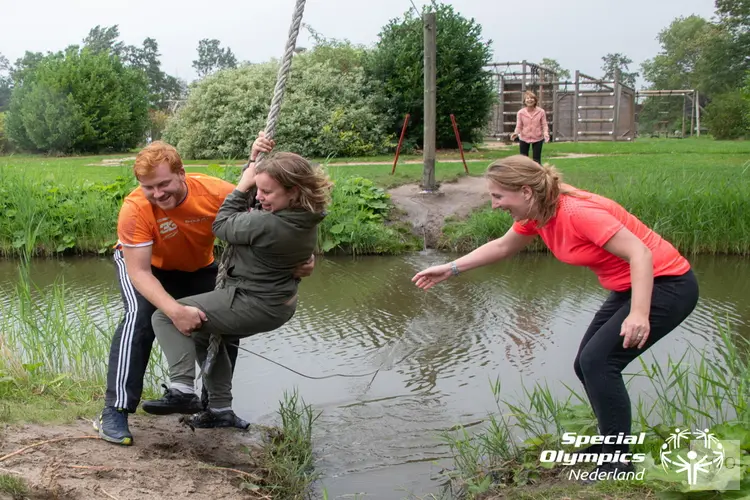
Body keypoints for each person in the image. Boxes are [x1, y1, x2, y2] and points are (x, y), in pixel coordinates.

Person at [412, 155, 699, 476]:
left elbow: (640, 253)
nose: (494, 205)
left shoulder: (577, 212)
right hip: (630, 286)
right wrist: (450, 268)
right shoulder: (538, 213)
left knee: (600, 363)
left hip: (667, 285)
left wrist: (639, 314)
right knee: (585, 364)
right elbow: (503, 246)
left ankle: (618, 462)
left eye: (497, 196)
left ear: (525, 191)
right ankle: (611, 446)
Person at [95, 135, 315, 445]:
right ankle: (115, 411)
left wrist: (305, 258)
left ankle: (216, 409)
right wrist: (174, 311)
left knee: (225, 322)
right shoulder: (135, 208)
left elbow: (271, 216)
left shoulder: (213, 192)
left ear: (182, 173)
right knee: (140, 320)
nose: (157, 194)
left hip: (198, 266)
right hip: (149, 268)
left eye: (164, 184)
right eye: (149, 187)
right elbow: (139, 272)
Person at [141, 151, 332, 421]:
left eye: (267, 191)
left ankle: (182, 389)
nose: (261, 196)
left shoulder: (268, 223)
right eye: (258, 189)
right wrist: (255, 161)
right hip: (274, 304)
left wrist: (243, 186)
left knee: (169, 315)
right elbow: (255, 207)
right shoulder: (304, 216)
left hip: (254, 303)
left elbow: (221, 225)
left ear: (294, 191)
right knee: (202, 332)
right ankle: (220, 410)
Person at [510, 91, 550, 164]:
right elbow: (519, 125)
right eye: (527, 98)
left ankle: (537, 174)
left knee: (537, 160)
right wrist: (516, 133)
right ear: (525, 101)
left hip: (538, 138)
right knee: (523, 159)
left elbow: (544, 124)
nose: (529, 100)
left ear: (535, 100)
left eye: (532, 98)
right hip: (524, 137)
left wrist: (545, 133)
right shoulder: (520, 113)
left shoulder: (541, 112)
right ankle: (524, 174)